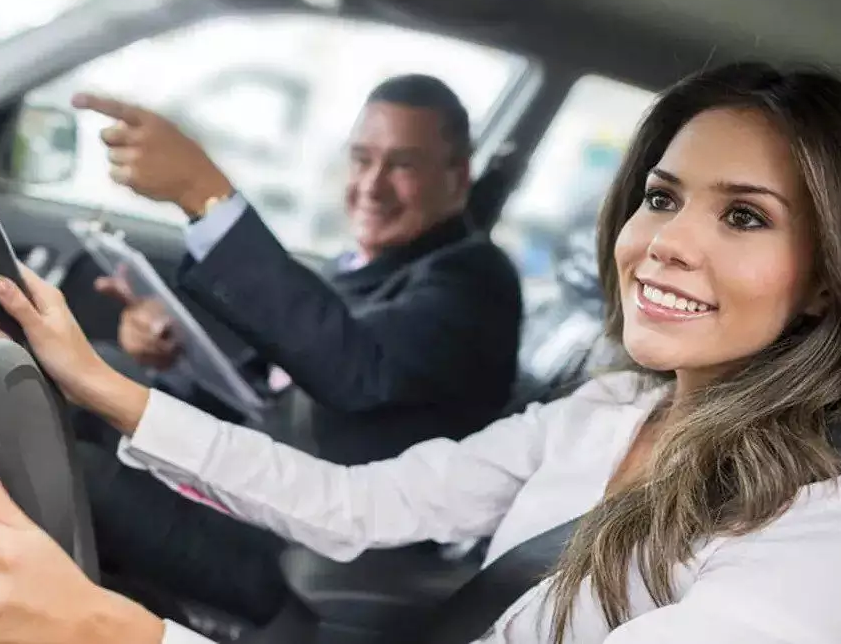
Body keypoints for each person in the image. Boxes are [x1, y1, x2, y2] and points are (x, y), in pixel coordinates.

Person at [0, 61, 841, 644]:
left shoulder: (837, 544)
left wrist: (114, 635)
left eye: (744, 217)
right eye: (661, 198)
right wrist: (105, 385)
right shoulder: (606, 411)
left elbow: (351, 370)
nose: (666, 242)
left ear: (827, 279)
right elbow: (360, 503)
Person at [72, 73, 525, 466]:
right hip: (248, 465)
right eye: (362, 159)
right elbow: (256, 391)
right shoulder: (354, 266)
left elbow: (354, 368)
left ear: (458, 177)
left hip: (307, 523)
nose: (372, 185)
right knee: (94, 375)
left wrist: (202, 193)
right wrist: (174, 357)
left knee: (80, 447)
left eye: (403, 165)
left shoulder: (476, 281)